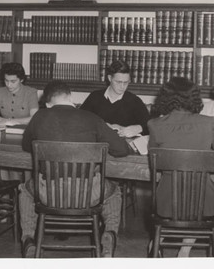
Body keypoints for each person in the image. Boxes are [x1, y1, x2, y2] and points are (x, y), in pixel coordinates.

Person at [20, 80, 133, 258]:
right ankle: (109, 235)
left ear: (48, 104)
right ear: (70, 97)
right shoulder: (92, 118)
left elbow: (27, 146)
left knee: (25, 190)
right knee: (114, 191)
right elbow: (121, 149)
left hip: (48, 193)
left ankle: (28, 239)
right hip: (88, 194)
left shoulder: (39, 117)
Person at [147, 77, 214, 257]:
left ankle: (159, 241)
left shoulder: (154, 125)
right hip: (204, 203)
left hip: (165, 202)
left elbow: (154, 155)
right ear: (195, 98)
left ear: (165, 98)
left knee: (178, 205)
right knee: (196, 204)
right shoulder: (211, 123)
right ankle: (185, 249)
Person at [80, 60, 150, 138]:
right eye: (118, 82)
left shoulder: (134, 101)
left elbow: (150, 126)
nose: (122, 86)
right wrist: (102, 126)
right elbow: (80, 121)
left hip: (125, 145)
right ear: (110, 78)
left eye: (126, 82)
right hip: (99, 145)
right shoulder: (95, 97)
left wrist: (139, 128)